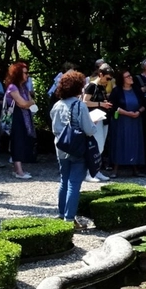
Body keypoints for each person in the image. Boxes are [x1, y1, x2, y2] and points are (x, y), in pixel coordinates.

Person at [51, 70, 96, 229]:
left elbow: (55, 128)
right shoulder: (79, 105)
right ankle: (70, 220)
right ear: (78, 87)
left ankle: (62, 214)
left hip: (61, 149)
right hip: (77, 149)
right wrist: (94, 124)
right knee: (74, 184)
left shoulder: (57, 105)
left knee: (64, 181)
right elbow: (89, 130)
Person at [3, 61, 36, 180]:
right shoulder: (13, 87)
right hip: (16, 117)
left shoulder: (23, 87)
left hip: (24, 117)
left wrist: (29, 103)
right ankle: (18, 171)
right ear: (18, 74)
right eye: (25, 73)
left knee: (23, 141)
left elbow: (30, 102)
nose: (27, 75)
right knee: (17, 142)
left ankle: (19, 168)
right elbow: (22, 104)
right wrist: (29, 103)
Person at [111, 68, 146, 177]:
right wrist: (127, 113)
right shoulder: (117, 91)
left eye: (130, 75)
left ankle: (135, 168)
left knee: (135, 143)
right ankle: (115, 169)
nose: (130, 78)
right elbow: (113, 106)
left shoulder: (136, 89)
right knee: (120, 143)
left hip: (135, 121)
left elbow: (144, 104)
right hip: (122, 121)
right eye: (127, 76)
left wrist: (138, 112)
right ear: (122, 79)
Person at [81, 65, 114, 182]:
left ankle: (96, 170)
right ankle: (89, 173)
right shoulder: (91, 86)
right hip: (94, 119)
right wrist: (101, 104)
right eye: (107, 78)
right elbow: (85, 102)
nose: (108, 81)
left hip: (103, 118)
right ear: (100, 74)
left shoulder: (101, 87)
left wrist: (104, 103)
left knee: (101, 146)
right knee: (95, 145)